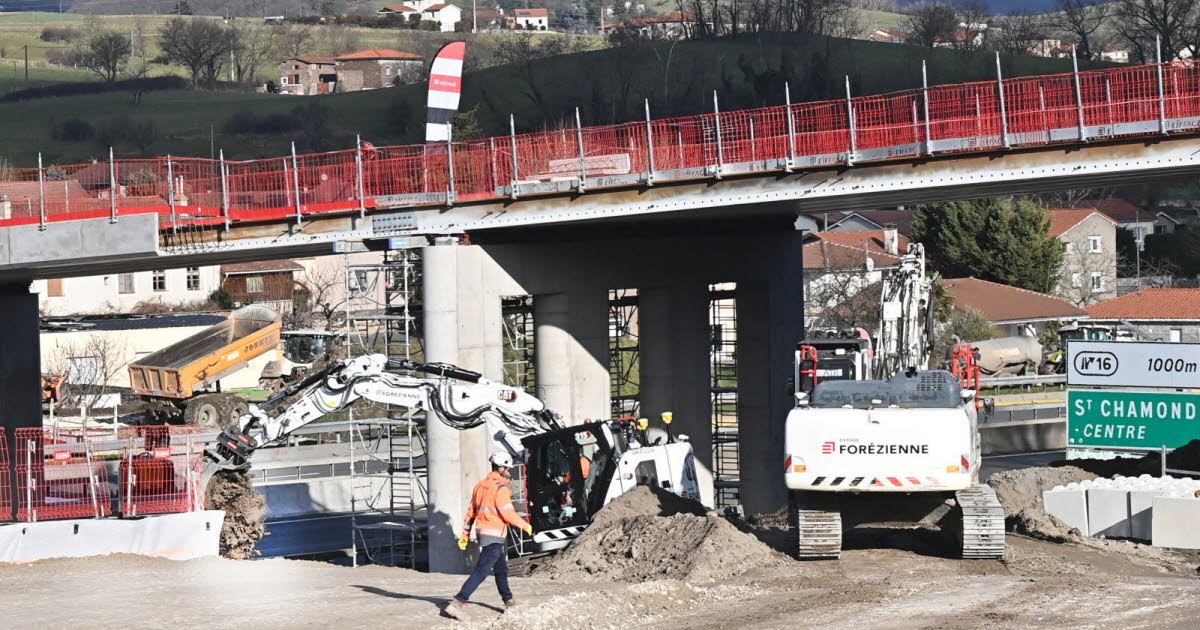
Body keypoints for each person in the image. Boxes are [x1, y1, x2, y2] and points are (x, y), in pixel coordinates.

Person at [443, 452, 533, 621]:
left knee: (501, 569)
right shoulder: (501, 489)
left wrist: (465, 534)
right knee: (482, 570)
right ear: (500, 468)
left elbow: (471, 512)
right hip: (495, 534)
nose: (509, 472)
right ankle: (457, 602)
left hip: (484, 533)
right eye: (507, 468)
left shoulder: (480, 485)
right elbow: (508, 515)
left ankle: (509, 601)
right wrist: (525, 525)